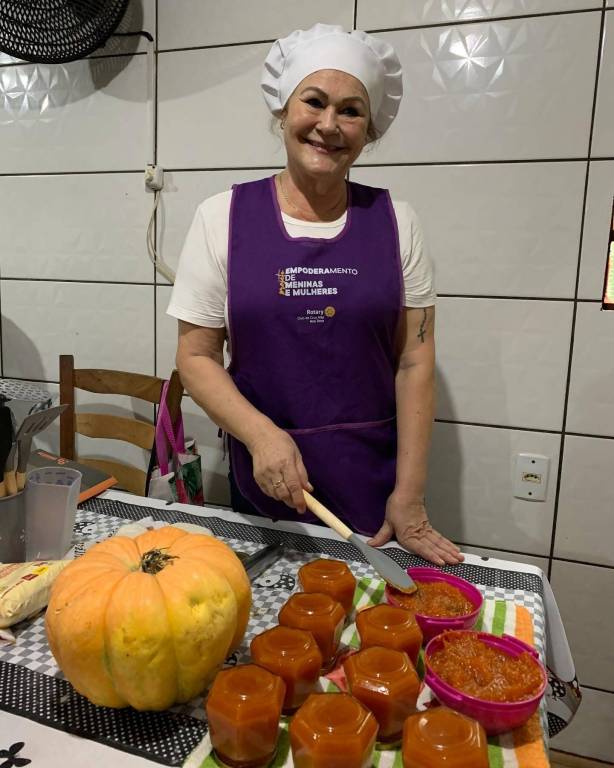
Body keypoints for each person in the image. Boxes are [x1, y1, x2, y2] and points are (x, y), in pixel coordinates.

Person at [168, 23, 463, 566]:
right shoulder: (221, 218)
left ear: (368, 131)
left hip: (372, 483)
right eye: (314, 102)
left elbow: (415, 361)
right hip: (266, 482)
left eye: (351, 111)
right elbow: (196, 357)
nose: (329, 125)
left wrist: (411, 496)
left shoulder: (397, 222)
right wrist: (261, 435)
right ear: (283, 111)